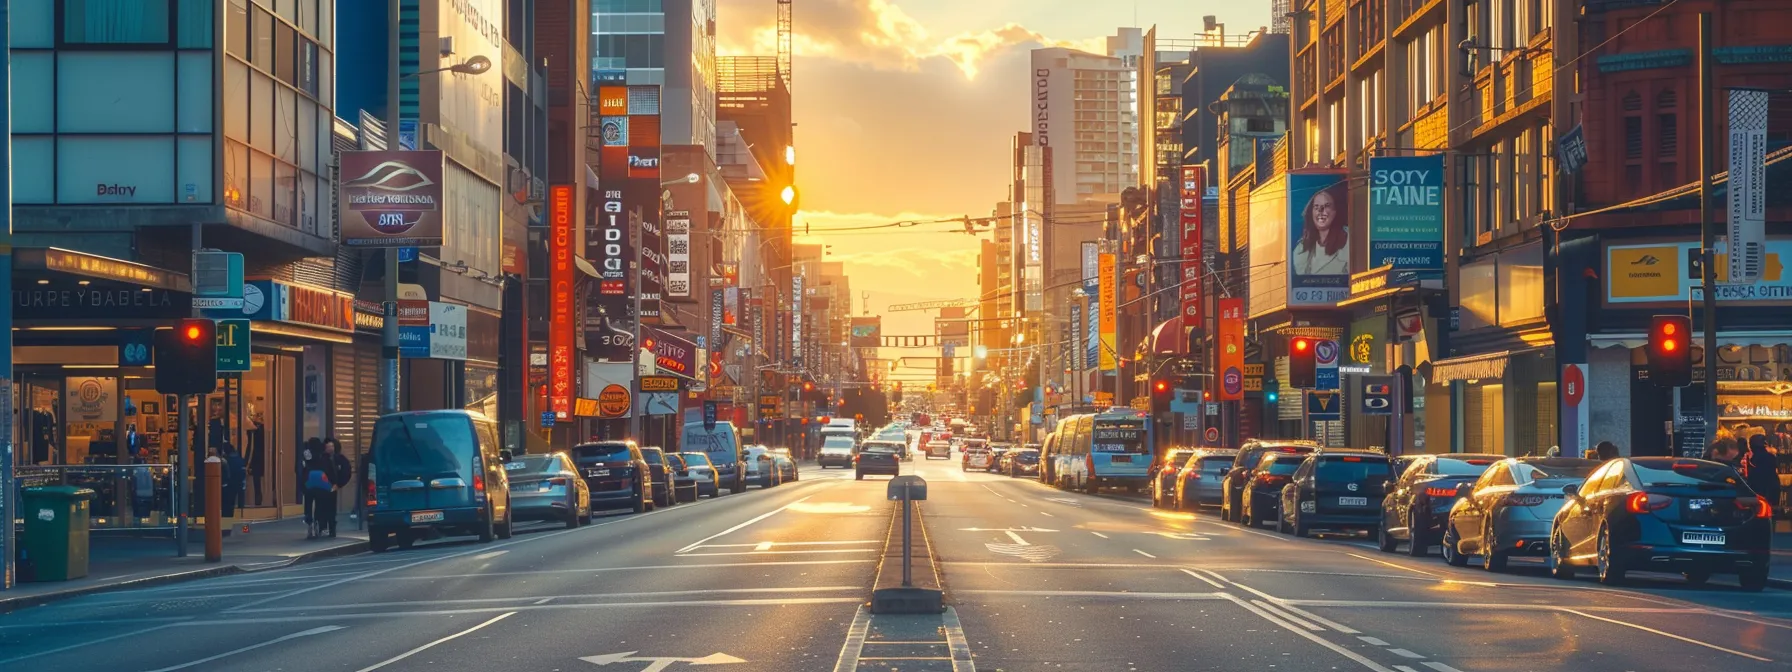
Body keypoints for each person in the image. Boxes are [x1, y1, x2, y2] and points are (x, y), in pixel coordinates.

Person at [1293, 181, 1349, 277]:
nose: (1320, 211)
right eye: (1316, 207)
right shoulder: (1301, 250)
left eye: (1327, 206)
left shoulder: (1349, 240)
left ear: (1335, 211)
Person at [1741, 433, 1782, 512]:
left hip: (1760, 490)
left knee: (1758, 513)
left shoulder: (1754, 459)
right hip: (1772, 488)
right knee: (1771, 513)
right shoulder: (1771, 457)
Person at [321, 438, 353, 538]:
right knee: (322, 508)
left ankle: (331, 529)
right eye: (328, 447)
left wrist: (338, 484)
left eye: (332, 446)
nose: (330, 449)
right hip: (323, 487)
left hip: (333, 487)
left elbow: (346, 470)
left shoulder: (339, 458)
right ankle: (323, 527)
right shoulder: (322, 458)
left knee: (331, 509)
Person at [302, 441, 333, 539]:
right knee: (320, 504)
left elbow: (299, 469)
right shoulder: (324, 456)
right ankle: (319, 525)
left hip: (308, 483)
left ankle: (309, 522)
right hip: (321, 484)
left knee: (308, 503)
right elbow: (330, 470)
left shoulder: (306, 455)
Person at [220, 443, 246, 518]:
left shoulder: (226, 461)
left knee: (226, 506)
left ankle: (226, 522)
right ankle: (229, 523)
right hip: (238, 485)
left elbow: (226, 474)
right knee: (232, 506)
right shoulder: (240, 460)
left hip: (228, 486)